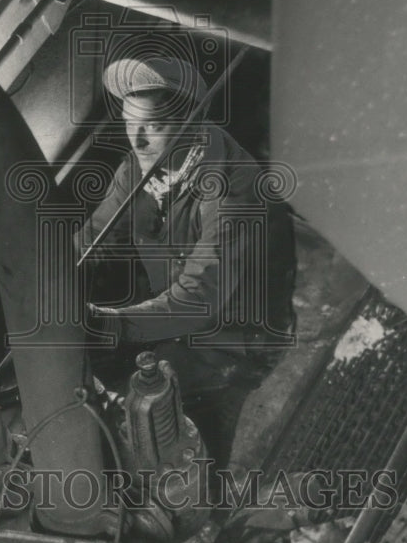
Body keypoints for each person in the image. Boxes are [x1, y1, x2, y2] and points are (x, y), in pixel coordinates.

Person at [79, 55, 296, 474]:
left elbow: (197, 299)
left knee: (157, 449)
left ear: (192, 127)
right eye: (130, 122)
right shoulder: (140, 170)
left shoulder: (236, 192)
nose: (136, 140)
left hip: (233, 343)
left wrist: (106, 324)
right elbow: (94, 240)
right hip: (173, 326)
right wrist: (44, 282)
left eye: (154, 127)